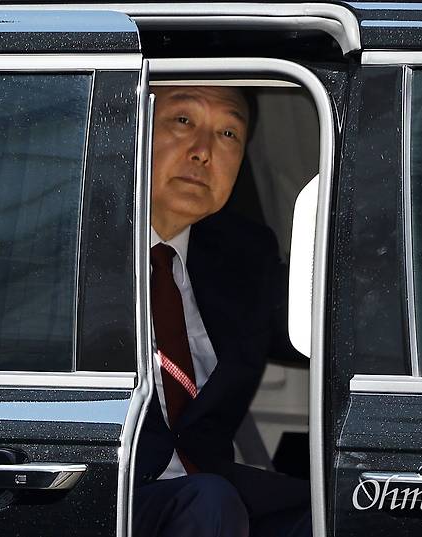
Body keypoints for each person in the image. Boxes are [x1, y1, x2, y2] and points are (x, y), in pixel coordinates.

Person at [134, 85, 311, 537]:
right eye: (183, 121)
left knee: (336, 510)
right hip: (106, 490)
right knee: (210, 500)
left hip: (203, 480)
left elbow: (320, 324)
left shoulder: (243, 255)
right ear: (133, 128)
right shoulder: (77, 241)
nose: (203, 151)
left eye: (228, 133)